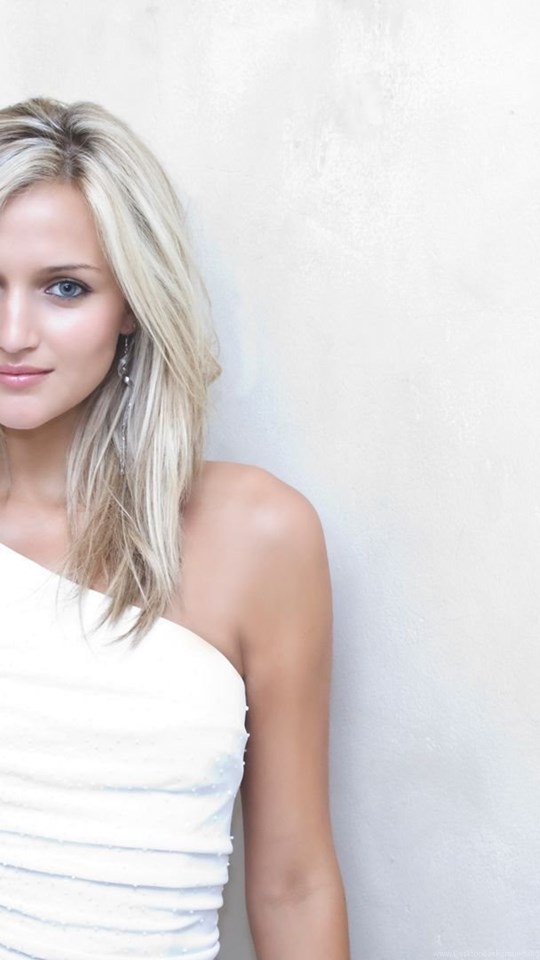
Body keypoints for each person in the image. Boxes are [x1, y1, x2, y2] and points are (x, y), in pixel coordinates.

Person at [0, 97, 350, 959]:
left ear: (131, 302)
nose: (14, 334)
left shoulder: (259, 536)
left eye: (65, 288)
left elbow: (294, 883)